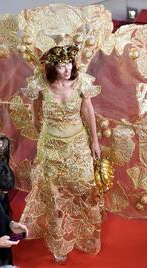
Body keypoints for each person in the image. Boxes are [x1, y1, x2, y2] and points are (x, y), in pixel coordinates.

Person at [20, 45, 103, 263]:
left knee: (86, 187)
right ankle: (59, 245)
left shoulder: (81, 82)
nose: (66, 69)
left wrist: (94, 141)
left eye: (69, 63)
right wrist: (45, 137)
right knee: (56, 196)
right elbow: (35, 116)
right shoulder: (40, 85)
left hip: (77, 145)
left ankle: (85, 234)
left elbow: (88, 112)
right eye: (60, 65)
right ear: (51, 66)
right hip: (51, 149)